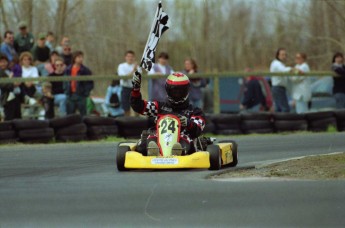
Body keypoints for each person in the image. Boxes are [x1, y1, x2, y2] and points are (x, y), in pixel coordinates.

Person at [131, 71, 205, 156]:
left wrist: (188, 123)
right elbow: (138, 106)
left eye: (180, 91)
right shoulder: (159, 107)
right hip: (159, 138)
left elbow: (198, 130)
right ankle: (153, 151)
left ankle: (177, 151)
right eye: (174, 90)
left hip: (181, 139)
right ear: (168, 90)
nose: (177, 94)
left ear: (187, 90)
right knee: (148, 140)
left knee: (186, 140)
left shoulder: (194, 111)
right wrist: (135, 90)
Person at [64, 51, 94, 116]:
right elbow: (65, 81)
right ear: (74, 58)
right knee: (70, 116)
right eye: (79, 57)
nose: (81, 59)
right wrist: (66, 91)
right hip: (70, 94)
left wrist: (86, 92)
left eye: (82, 57)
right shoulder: (68, 69)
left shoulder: (85, 70)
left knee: (83, 115)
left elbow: (90, 83)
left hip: (81, 95)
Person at [270, 48, 292, 112]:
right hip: (278, 88)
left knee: (279, 109)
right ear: (278, 55)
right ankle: (285, 122)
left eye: (285, 55)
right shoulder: (276, 63)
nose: (284, 56)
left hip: (278, 88)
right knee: (285, 109)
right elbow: (284, 70)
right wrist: (293, 69)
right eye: (282, 55)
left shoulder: (280, 64)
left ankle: (278, 122)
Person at [0, 54, 22, 120]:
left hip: (16, 96)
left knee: (18, 116)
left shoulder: (11, 70)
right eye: (1, 62)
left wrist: (18, 82)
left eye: (4, 62)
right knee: (9, 118)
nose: (3, 64)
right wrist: (13, 84)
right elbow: (2, 84)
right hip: (6, 98)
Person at [117, 50, 137, 116]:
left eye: (132, 56)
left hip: (135, 89)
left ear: (134, 57)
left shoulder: (137, 67)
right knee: (126, 108)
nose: (130, 58)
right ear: (125, 57)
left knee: (137, 108)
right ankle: (128, 123)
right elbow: (124, 78)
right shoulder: (121, 66)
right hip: (125, 88)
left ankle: (138, 123)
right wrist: (133, 71)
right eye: (128, 56)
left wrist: (135, 70)